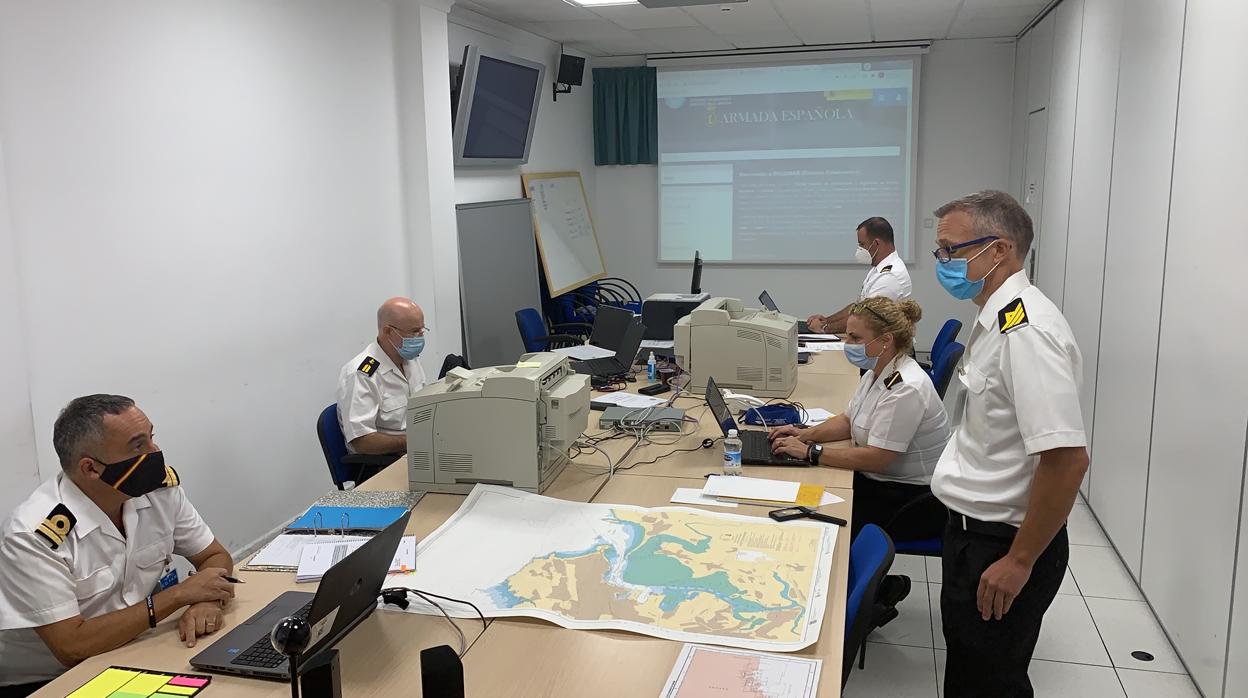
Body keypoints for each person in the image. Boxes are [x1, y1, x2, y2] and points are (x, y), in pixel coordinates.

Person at [929, 190, 1088, 697]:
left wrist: (1019, 561)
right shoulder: (998, 317)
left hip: (1001, 544)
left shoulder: (1026, 330)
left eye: (951, 251)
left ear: (997, 250)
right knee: (972, 677)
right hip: (973, 534)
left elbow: (1066, 460)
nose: (943, 262)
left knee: (990, 684)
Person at [0, 395, 236, 696]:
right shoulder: (33, 534)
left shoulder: (156, 492)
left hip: (135, 646)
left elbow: (213, 555)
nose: (156, 452)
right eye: (139, 446)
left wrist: (206, 600)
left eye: (152, 437)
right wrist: (177, 597)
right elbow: (72, 646)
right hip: (54, 680)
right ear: (91, 469)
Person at [770, 296, 951, 543]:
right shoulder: (879, 370)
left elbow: (877, 459)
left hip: (910, 499)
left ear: (886, 340)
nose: (848, 343)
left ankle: (876, 582)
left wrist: (811, 452)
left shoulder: (906, 387)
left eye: (855, 338)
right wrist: (803, 435)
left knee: (816, 517)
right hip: (882, 484)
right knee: (805, 492)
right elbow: (847, 420)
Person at [336, 297, 429, 463]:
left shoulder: (410, 360)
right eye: (414, 332)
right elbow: (362, 442)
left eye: (422, 331)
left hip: (415, 452)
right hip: (382, 463)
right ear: (388, 332)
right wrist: (410, 442)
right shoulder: (361, 374)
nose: (420, 338)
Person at [807, 217, 912, 335]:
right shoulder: (878, 269)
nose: (860, 249)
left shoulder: (890, 277)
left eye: (862, 244)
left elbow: (865, 319)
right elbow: (858, 307)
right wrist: (826, 320)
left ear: (876, 244)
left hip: (887, 349)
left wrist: (825, 328)